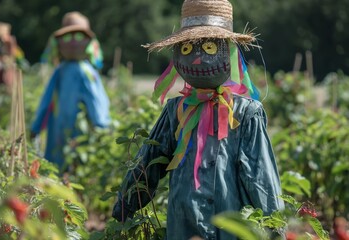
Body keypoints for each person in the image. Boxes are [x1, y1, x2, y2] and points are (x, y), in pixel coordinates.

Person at [112, 0, 284, 239]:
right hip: (183, 222)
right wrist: (125, 205)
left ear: (229, 52)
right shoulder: (176, 111)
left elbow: (260, 175)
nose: (196, 58)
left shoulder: (246, 113)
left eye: (211, 48)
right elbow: (149, 160)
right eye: (186, 49)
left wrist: (274, 225)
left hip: (228, 226)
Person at [30, 12, 111, 169]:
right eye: (67, 38)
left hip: (79, 130)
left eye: (79, 38)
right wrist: (37, 126)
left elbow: (97, 102)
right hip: (58, 127)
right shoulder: (61, 71)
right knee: (61, 167)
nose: (73, 43)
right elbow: (47, 100)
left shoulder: (86, 72)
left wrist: (101, 126)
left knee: (73, 165)